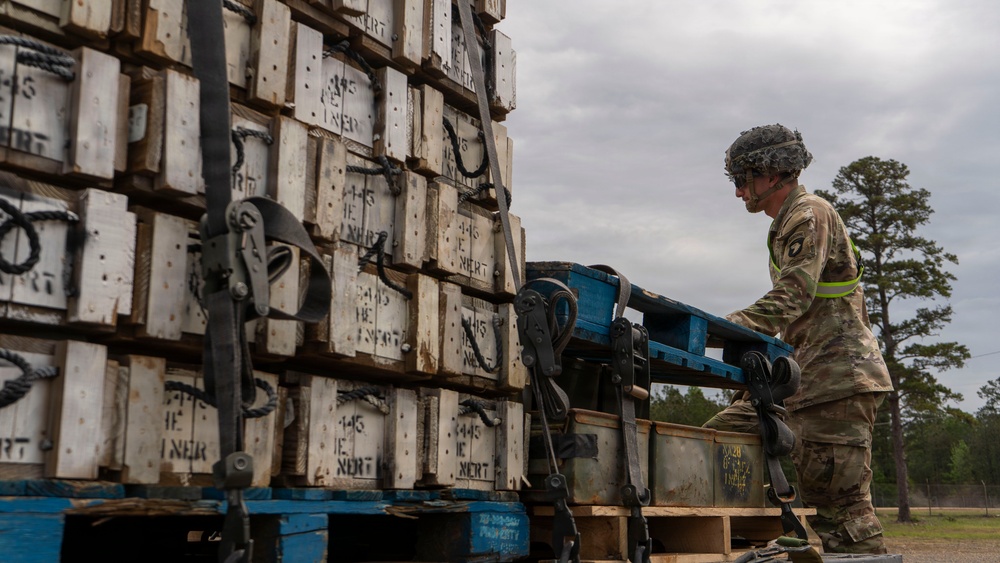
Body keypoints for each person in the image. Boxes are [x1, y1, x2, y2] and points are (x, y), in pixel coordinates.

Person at [702, 124, 895, 554]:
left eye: (742, 180)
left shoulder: (808, 214)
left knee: (842, 515)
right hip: (800, 382)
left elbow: (794, 294)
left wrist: (719, 327)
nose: (738, 193)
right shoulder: (789, 222)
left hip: (835, 385)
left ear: (771, 174)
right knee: (714, 442)